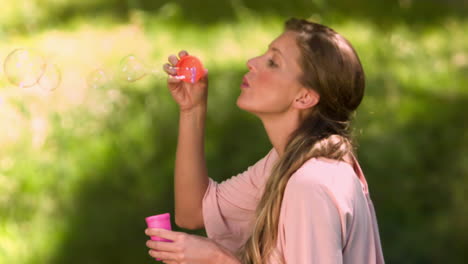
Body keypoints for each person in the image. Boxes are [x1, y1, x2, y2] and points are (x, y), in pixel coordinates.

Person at [145, 18, 385, 264]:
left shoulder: (311, 185)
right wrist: (192, 110)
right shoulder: (289, 162)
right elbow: (192, 212)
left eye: (273, 62)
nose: (252, 62)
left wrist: (218, 259)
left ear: (304, 97)